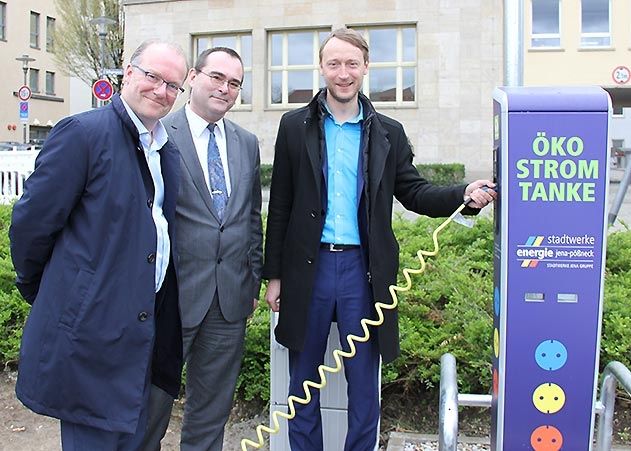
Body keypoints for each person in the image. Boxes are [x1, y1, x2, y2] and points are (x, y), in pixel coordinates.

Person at [262, 27, 496, 451]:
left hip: (362, 272)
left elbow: (415, 192)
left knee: (363, 387)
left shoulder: (388, 131)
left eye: (352, 63)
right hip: (307, 269)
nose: (343, 73)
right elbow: (280, 205)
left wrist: (463, 195)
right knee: (303, 384)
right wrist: (273, 277)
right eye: (334, 63)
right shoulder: (294, 126)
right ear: (321, 67)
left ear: (366, 67)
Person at [9, 39, 189, 450]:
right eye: (153, 77)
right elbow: (31, 226)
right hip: (92, 339)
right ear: (128, 72)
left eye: (172, 86)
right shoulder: (84, 134)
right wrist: (59, 293)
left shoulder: (164, 150)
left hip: (141, 333)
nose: (161, 91)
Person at [142, 47, 263, 451]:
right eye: (216, 77)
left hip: (229, 302)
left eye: (234, 83)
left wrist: (254, 280)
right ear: (193, 77)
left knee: (211, 414)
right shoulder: (159, 134)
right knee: (149, 410)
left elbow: (250, 219)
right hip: (170, 298)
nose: (225, 88)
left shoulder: (246, 143)